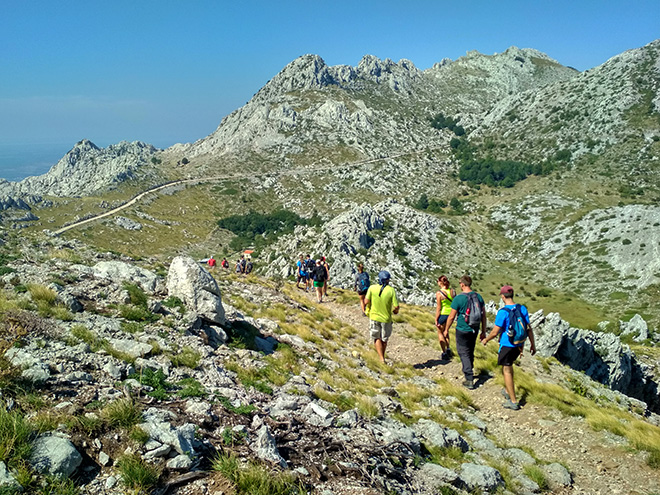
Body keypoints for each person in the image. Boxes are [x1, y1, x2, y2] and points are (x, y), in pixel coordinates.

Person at [481, 285, 536, 410]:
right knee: (510, 366)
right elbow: (528, 328)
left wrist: (486, 340)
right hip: (519, 345)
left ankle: (513, 401)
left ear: (502, 296)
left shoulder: (503, 312)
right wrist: (532, 344)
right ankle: (507, 390)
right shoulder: (522, 308)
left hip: (507, 345)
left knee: (507, 370)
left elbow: (495, 332)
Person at [445, 275, 486, 389]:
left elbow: (451, 316)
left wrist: (446, 329)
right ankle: (470, 367)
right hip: (475, 328)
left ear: (462, 284)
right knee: (470, 349)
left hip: (463, 329)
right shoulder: (478, 297)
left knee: (463, 351)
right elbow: (483, 316)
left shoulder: (459, 298)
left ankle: (469, 378)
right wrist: (483, 331)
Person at [365, 270, 399, 364]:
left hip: (374, 316)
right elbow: (396, 306)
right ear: (388, 280)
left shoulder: (372, 288)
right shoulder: (391, 290)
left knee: (376, 338)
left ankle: (381, 358)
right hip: (386, 319)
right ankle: (382, 356)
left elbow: (366, 302)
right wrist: (395, 311)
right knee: (384, 339)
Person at [435, 275, 456, 361]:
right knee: (446, 332)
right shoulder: (452, 291)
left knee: (440, 333)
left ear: (440, 282)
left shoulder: (439, 293)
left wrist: (436, 319)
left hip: (443, 314)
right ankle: (448, 349)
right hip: (451, 314)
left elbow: (439, 307)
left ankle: (444, 353)